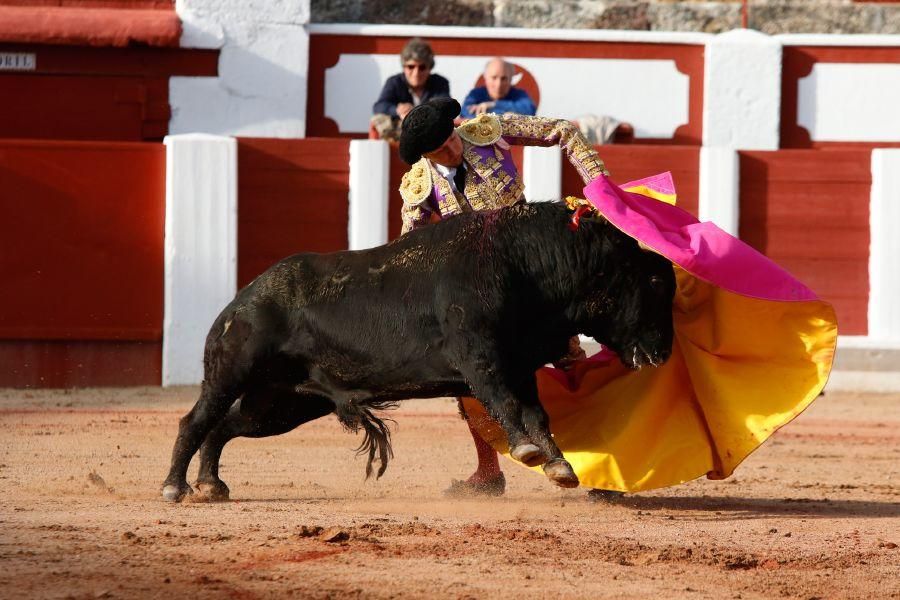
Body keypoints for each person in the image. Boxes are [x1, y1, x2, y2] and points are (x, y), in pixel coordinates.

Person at [397, 97, 606, 497]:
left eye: (451, 137)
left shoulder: (486, 131)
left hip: (534, 269)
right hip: (479, 288)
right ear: (424, 155)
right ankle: (488, 472)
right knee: (470, 380)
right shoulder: (419, 186)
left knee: (569, 363)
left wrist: (598, 184)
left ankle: (600, 468)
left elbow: (563, 129)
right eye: (441, 148)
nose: (454, 147)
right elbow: (411, 248)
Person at [371, 38, 451, 141]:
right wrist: (397, 110)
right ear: (404, 67)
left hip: (430, 139)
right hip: (400, 139)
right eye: (411, 67)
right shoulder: (394, 82)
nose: (416, 73)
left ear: (429, 68)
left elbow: (445, 106)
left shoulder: (440, 83)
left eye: (422, 67)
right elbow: (379, 106)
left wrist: (415, 112)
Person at [460, 57, 536, 120]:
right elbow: (464, 113)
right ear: (485, 78)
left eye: (504, 78)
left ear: (511, 79)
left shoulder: (520, 95)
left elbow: (529, 111)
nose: (498, 84)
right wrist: (506, 115)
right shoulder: (476, 94)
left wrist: (493, 105)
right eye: (494, 78)